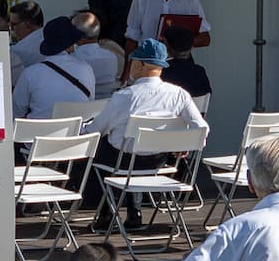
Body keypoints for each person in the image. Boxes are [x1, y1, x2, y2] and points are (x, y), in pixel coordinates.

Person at [83, 39, 209, 231]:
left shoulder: (125, 96)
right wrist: (184, 143)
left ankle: (107, 211)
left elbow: (96, 130)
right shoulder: (179, 94)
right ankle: (134, 212)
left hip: (122, 161)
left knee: (102, 147)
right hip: (158, 160)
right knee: (134, 146)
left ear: (140, 65)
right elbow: (201, 128)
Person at [12, 17, 96, 120]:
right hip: (76, 134)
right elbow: (89, 104)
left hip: (37, 134)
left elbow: (16, 112)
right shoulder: (86, 69)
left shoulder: (30, 73)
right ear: (70, 45)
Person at [70, 10, 122, 100]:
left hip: (82, 107)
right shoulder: (111, 57)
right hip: (106, 104)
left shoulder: (74, 59)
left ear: (78, 35)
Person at [160, 24, 212, 101]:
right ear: (192, 46)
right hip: (194, 112)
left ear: (166, 45)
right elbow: (206, 98)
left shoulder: (159, 72)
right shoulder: (199, 71)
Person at [6, 0, 47, 77]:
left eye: (13, 24)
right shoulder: (54, 39)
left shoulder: (18, 51)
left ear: (28, 25)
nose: (11, 28)